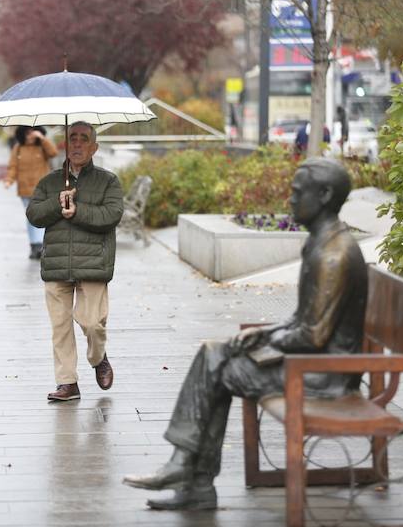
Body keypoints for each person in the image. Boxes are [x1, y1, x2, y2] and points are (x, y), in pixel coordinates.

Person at [123, 158, 368, 510]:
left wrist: (269, 340)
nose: (290, 200)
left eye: (298, 193)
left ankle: (191, 477)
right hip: (310, 361)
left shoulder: (334, 254)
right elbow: (301, 318)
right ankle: (190, 476)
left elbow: (312, 335)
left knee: (218, 368)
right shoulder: (321, 242)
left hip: (324, 375)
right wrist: (265, 333)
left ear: (325, 195)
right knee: (213, 353)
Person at [26, 121, 124, 402]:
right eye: (72, 138)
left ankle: (98, 357)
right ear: (65, 145)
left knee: (92, 323)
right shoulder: (50, 181)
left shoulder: (108, 181)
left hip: (93, 263)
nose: (78, 144)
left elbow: (111, 216)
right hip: (57, 265)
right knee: (60, 327)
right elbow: (34, 214)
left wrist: (77, 210)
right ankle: (67, 382)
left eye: (84, 139)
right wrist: (58, 203)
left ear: (94, 146)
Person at [4, 125, 58, 259]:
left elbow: (53, 153)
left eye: (33, 132)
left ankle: (40, 245)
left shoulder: (42, 146)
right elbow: (12, 166)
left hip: (42, 190)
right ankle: (34, 245)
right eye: (27, 133)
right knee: (31, 218)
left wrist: (42, 138)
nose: (31, 135)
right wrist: (9, 180)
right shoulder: (18, 148)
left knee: (41, 216)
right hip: (25, 189)